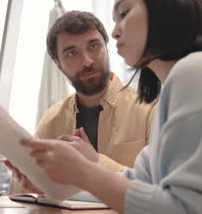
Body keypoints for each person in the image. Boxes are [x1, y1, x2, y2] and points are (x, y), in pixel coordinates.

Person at [19, 0, 202, 213]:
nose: (115, 32)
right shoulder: (182, 84)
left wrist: (85, 171)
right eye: (114, 20)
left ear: (165, 10)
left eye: (124, 13)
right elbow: (139, 185)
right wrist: (54, 187)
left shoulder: (197, 72)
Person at [10, 11, 157, 194]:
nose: (87, 61)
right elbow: (20, 190)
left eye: (94, 46)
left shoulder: (150, 109)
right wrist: (31, 183)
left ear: (106, 46)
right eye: (72, 53)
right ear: (58, 64)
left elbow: (160, 190)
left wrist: (95, 161)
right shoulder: (52, 120)